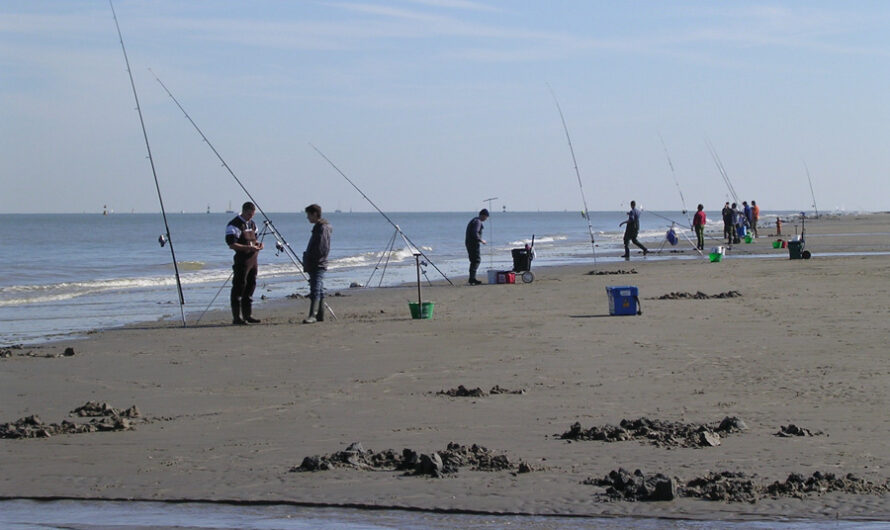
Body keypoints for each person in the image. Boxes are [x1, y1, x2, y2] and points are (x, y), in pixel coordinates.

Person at [226, 202, 264, 325]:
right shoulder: (234, 225)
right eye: (249, 214)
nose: (250, 217)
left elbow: (255, 239)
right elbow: (232, 244)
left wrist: (258, 245)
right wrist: (247, 248)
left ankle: (248, 315)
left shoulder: (252, 224)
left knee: (251, 285)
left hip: (253, 260)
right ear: (244, 211)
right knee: (239, 286)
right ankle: (237, 317)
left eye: (252, 215)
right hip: (242, 260)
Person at [302, 204, 332, 324]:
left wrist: (312, 259)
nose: (307, 218)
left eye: (308, 215)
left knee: (315, 288)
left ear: (314, 214)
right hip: (316, 262)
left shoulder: (322, 228)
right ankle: (320, 314)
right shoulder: (320, 227)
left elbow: (322, 248)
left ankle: (313, 315)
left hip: (317, 263)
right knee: (318, 288)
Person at [465, 209, 489, 285]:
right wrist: (481, 240)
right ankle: (472, 278)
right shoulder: (478, 222)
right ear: (483, 215)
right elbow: (475, 232)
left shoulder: (474, 220)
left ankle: (472, 278)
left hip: (469, 243)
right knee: (476, 260)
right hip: (473, 244)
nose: (486, 219)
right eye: (486, 217)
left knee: (473, 260)